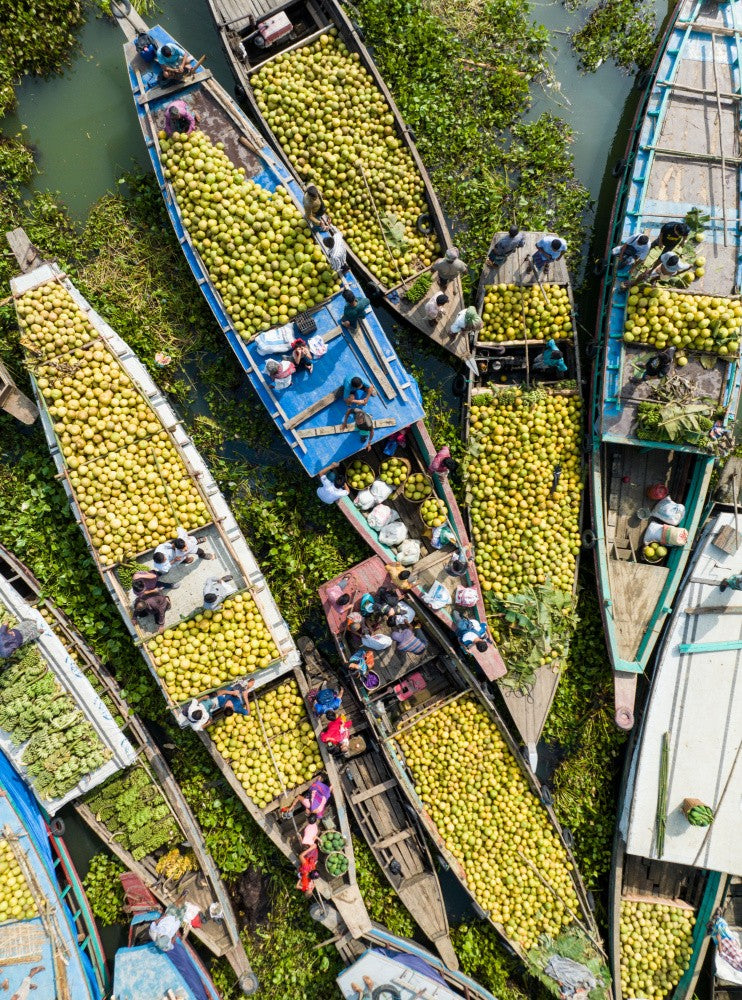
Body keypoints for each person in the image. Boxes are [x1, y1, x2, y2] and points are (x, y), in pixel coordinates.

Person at [184, 679, 255, 731]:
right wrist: (246, 698)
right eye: (230, 705)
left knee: (247, 682)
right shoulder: (237, 708)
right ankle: (246, 685)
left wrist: (231, 693)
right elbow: (248, 713)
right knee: (251, 683)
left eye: (227, 705)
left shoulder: (222, 703)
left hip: (232, 690)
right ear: (233, 708)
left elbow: (219, 693)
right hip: (240, 694)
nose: (229, 703)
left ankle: (244, 684)